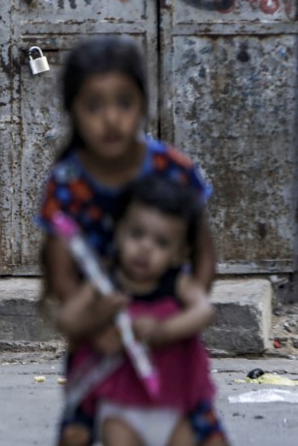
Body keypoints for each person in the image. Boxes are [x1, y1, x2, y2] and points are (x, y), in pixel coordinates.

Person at [35, 36, 220, 446]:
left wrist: (173, 317)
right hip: (100, 334)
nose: (112, 119)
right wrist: (93, 325)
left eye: (124, 102)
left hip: (167, 334)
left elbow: (203, 255)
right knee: (78, 434)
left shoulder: (173, 169)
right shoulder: (66, 183)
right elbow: (60, 273)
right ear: (72, 110)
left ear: (143, 104)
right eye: (94, 106)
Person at [56, 177, 224, 446]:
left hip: (175, 400)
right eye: (136, 234)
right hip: (120, 405)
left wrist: (163, 330)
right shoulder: (103, 283)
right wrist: (96, 317)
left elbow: (204, 311)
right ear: (118, 232)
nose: (145, 247)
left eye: (161, 243)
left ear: (179, 254)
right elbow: (66, 319)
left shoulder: (178, 284)